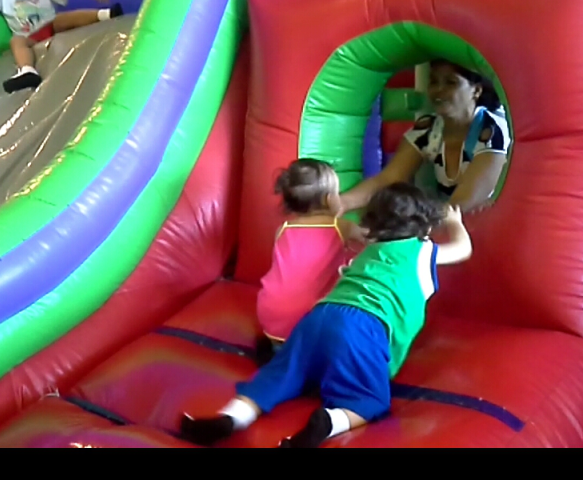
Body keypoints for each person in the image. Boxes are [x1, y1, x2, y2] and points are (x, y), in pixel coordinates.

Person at [179, 183, 474, 448]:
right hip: (364, 325)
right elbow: (464, 249)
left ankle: (231, 417)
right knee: (368, 401)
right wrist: (454, 223)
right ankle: (330, 422)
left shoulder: (368, 251)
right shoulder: (422, 251)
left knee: (280, 374)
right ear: (423, 228)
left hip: (320, 316)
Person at [340, 59, 511, 215]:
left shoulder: (492, 129)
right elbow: (387, 179)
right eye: (433, 81)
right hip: (451, 224)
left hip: (493, 223)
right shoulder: (429, 130)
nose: (439, 90)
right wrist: (342, 202)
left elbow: (464, 202)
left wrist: (413, 229)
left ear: (476, 90)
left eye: (451, 82)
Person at [253, 159, 364, 366]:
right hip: (310, 318)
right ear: (330, 200)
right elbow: (370, 238)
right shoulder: (342, 227)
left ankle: (282, 354)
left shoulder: (283, 228)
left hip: (271, 315)